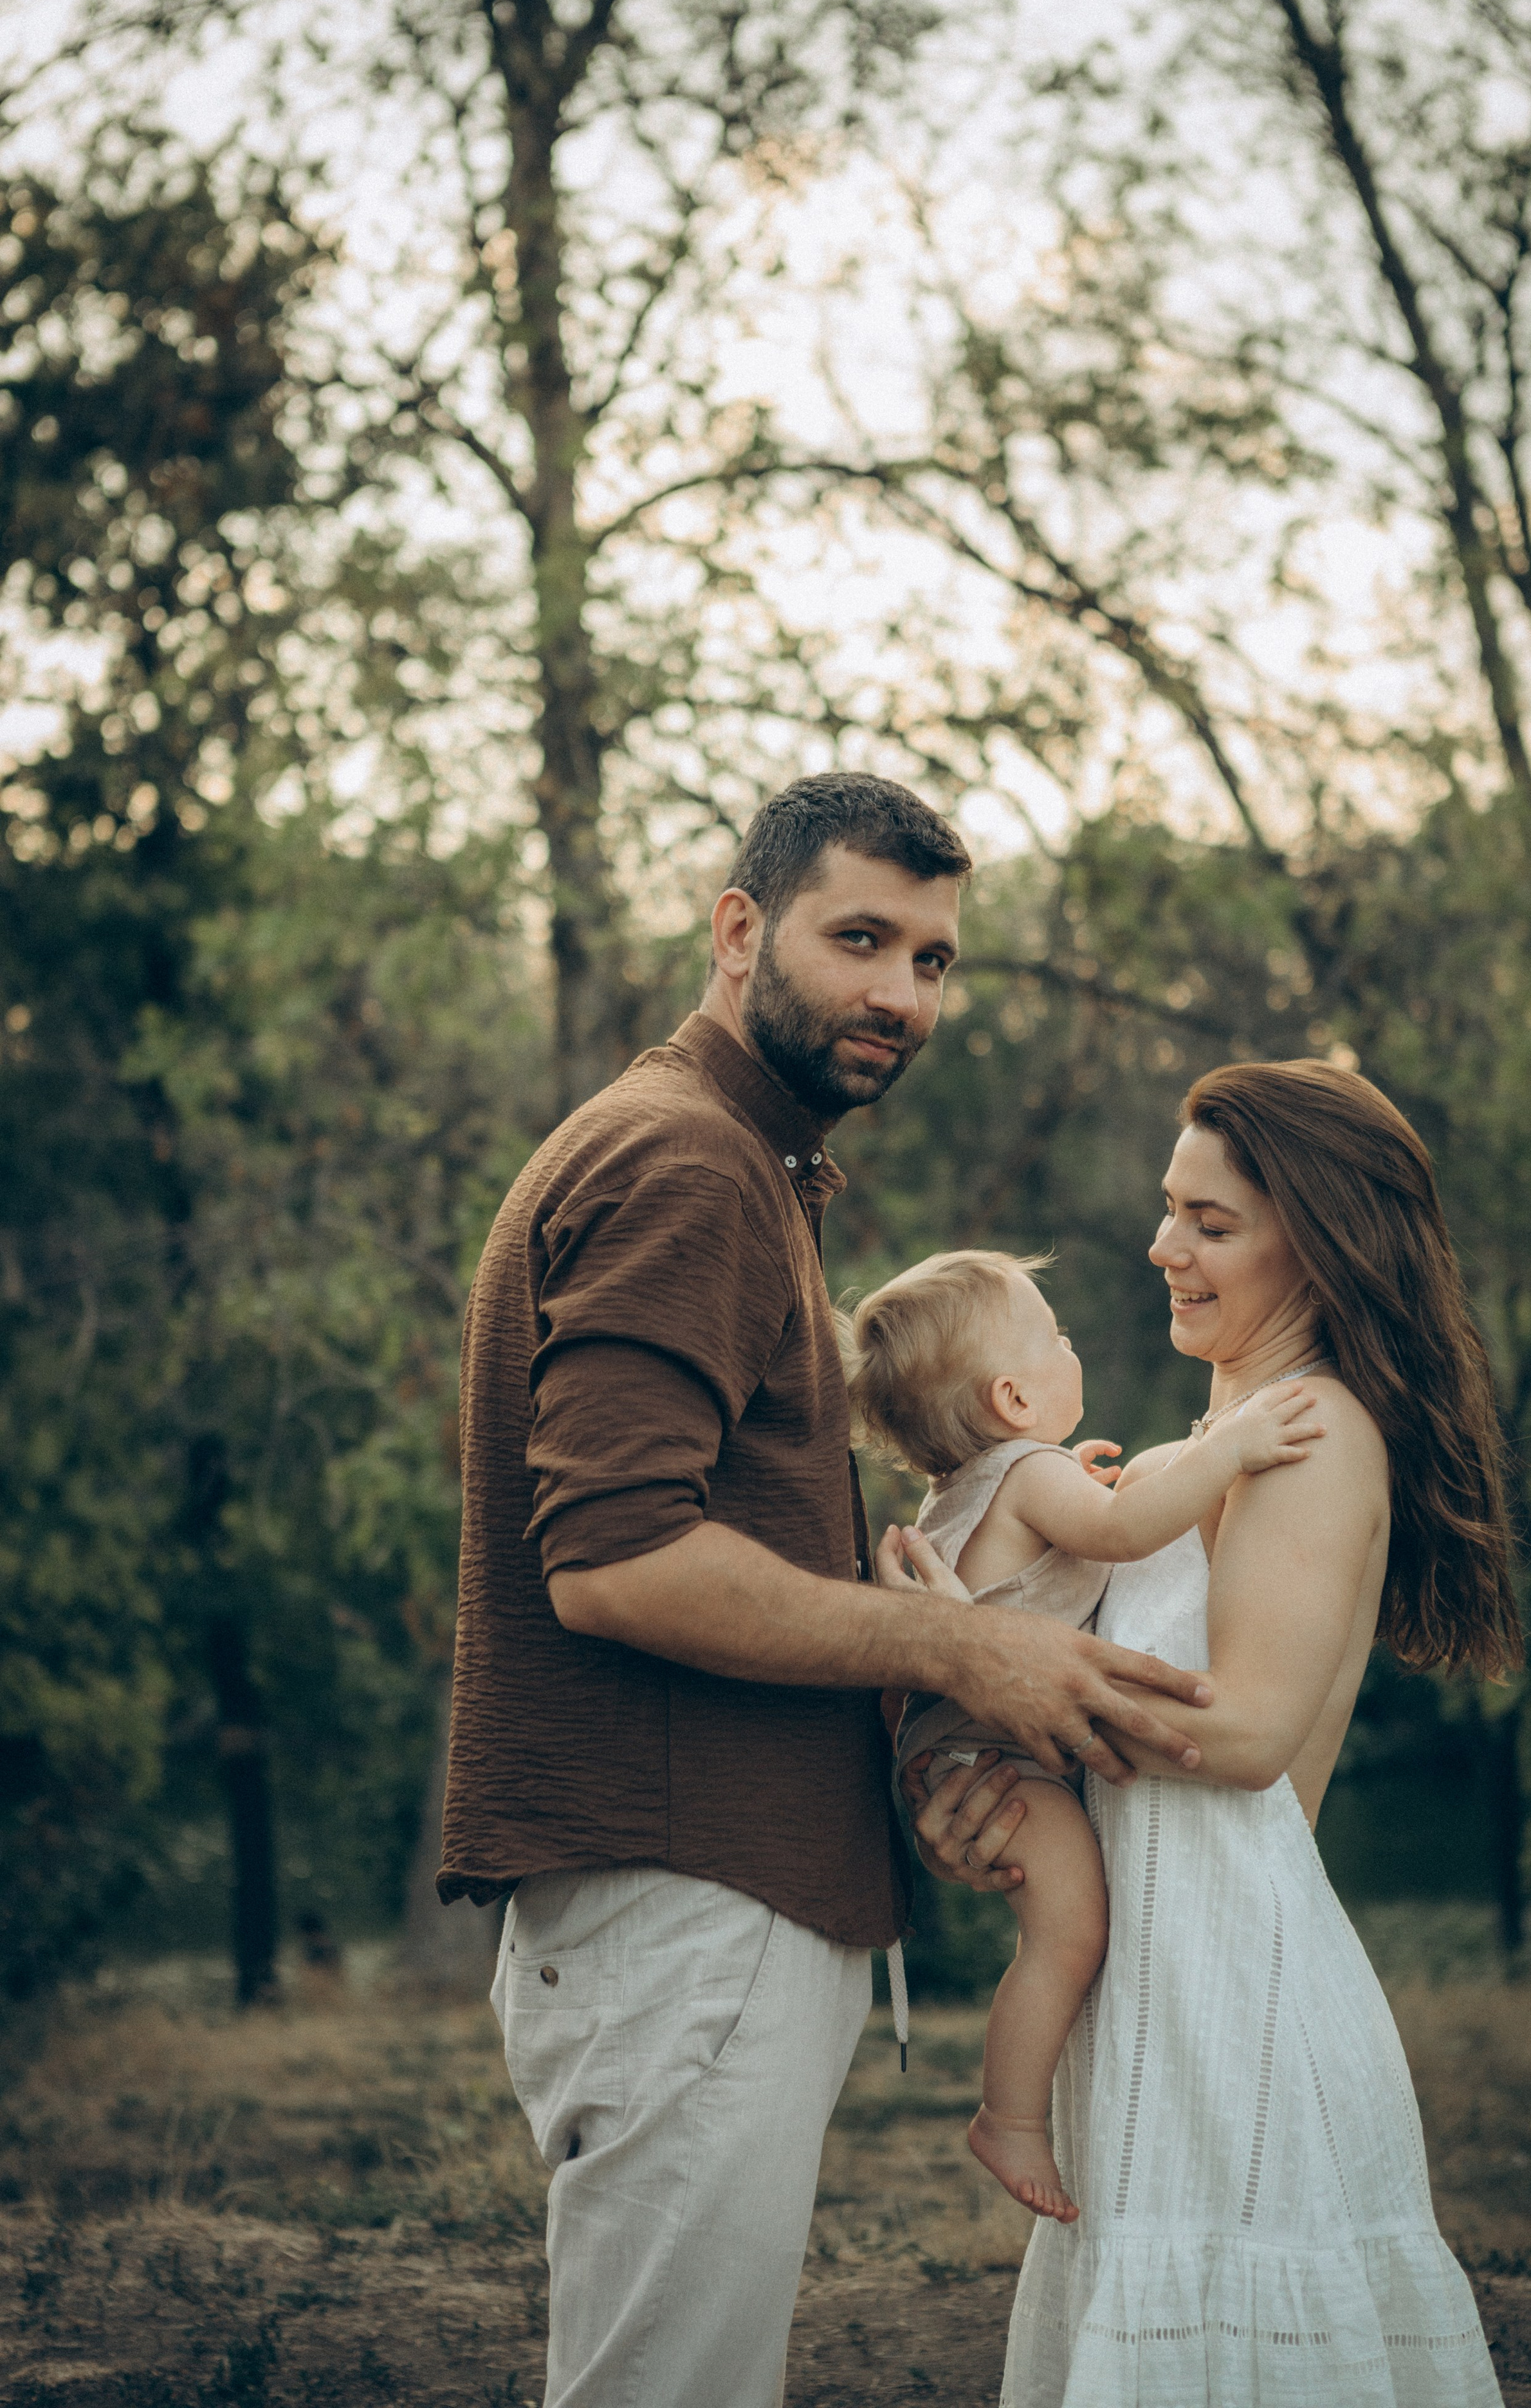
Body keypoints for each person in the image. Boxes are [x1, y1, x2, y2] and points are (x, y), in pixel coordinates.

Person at [435, 773, 1215, 2408]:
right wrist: (962, 1652)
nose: (899, 994)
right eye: (858, 938)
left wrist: (896, 1653)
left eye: (931, 959)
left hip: (700, 1891)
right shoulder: (687, 1165)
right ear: (736, 932)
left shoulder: (729, 1160)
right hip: (681, 1896)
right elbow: (617, 1560)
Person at [892, 1060, 1519, 2407]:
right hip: (1163, 1989)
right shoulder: (1222, 1437)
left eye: (1211, 1223)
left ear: (1322, 1242)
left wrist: (990, 1664)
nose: (1163, 1245)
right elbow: (1092, 1723)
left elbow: (1234, 1739)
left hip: (1238, 1999)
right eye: (1170, 1209)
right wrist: (982, 1776)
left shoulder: (1313, 1434)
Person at [841, 1246, 1326, 2225]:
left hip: (956, 1747)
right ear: (1016, 1398)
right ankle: (1007, 2117)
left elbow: (1063, 1546)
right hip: (988, 1754)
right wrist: (1226, 1451)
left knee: (1069, 1928)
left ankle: (1014, 2109)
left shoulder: (979, 1484)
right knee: (1073, 1932)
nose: (1072, 1346)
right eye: (1054, 1337)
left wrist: (1081, 1491)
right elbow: (1129, 1532)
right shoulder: (1028, 1474)